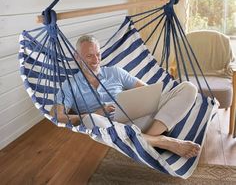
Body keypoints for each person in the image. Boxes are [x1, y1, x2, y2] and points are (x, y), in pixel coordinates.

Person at [51, 35, 201, 158]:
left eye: (98, 54)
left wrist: (133, 102)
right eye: (89, 56)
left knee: (188, 88)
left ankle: (144, 140)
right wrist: (95, 113)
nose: (96, 60)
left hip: (142, 119)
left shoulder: (115, 72)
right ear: (77, 57)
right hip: (111, 129)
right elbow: (57, 115)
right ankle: (161, 140)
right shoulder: (70, 85)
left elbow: (147, 90)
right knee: (90, 120)